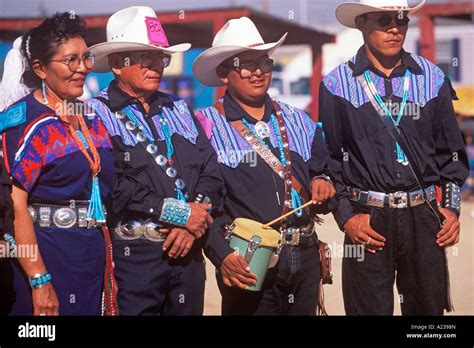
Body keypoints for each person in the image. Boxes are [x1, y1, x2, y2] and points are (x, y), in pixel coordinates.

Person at [320, 0, 469, 315]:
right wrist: (347, 217)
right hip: (367, 220)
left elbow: (452, 156)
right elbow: (330, 162)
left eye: (401, 19)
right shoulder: (335, 84)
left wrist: (452, 209)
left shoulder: (433, 77)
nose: (394, 27)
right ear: (361, 23)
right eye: (383, 19)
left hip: (425, 217)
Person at [193, 17, 336, 315]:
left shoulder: (300, 120)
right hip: (247, 258)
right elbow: (203, 202)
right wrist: (221, 254)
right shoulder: (204, 126)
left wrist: (323, 179)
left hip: (305, 254)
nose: (257, 71)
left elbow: (327, 169)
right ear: (223, 73)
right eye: (244, 64)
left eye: (263, 62)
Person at [88, 6, 223, 315]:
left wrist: (192, 222)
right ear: (117, 65)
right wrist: (178, 213)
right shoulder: (96, 115)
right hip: (134, 258)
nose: (156, 66)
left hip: (188, 254)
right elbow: (113, 186)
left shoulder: (179, 108)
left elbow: (211, 172)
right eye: (144, 59)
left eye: (161, 58)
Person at [1, 12, 117, 316]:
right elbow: (15, 204)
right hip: (48, 257)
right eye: (70, 61)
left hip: (90, 257)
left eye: (86, 58)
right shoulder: (25, 122)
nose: (82, 69)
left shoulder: (92, 118)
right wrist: (40, 280)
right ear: (40, 68)